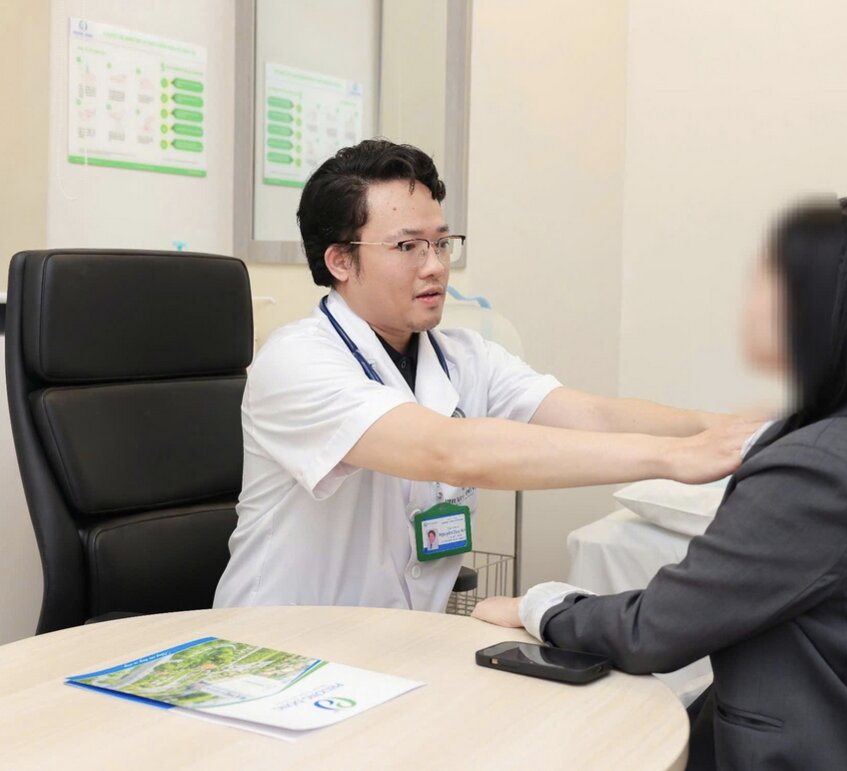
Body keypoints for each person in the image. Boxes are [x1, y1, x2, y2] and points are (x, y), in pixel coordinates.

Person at [474, 197, 847, 770]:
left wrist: (542, 605)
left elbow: (653, 630)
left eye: (770, 280)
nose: (751, 299)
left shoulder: (819, 469)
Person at [214, 139, 758, 613]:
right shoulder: (297, 362)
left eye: (441, 243)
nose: (435, 265)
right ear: (340, 261)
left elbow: (590, 414)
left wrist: (723, 429)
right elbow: (448, 451)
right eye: (407, 246)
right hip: (279, 653)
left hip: (396, 648)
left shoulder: (464, 357)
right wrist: (673, 459)